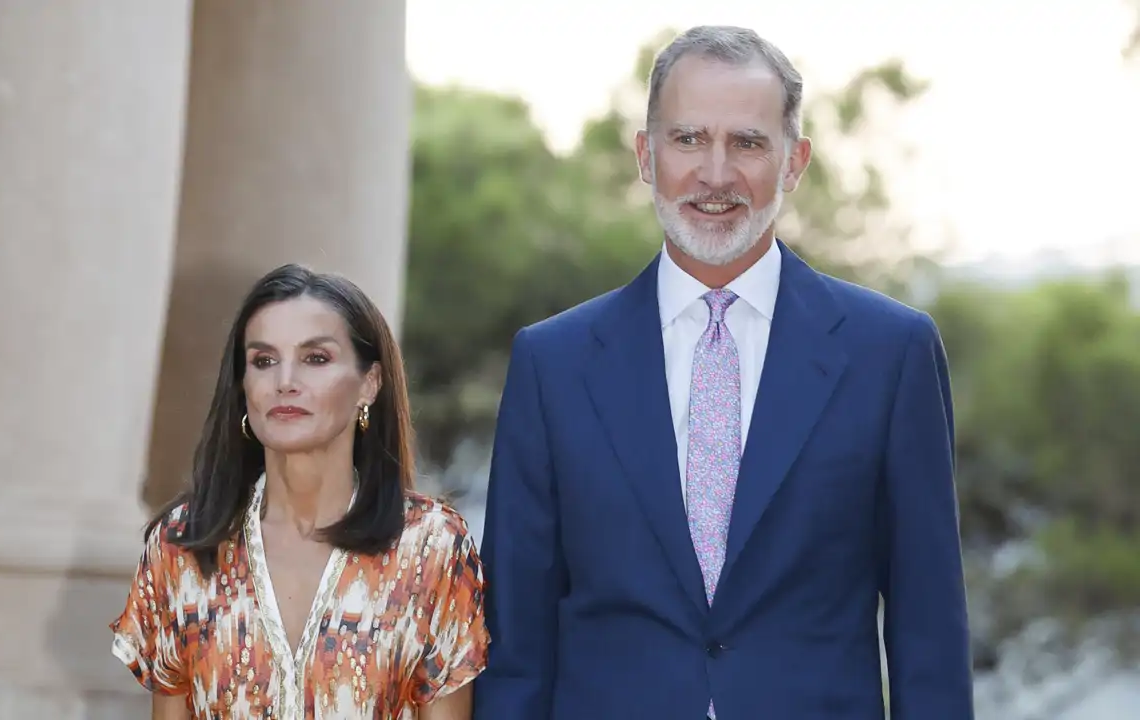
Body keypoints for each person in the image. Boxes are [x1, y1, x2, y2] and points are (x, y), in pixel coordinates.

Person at [472, 25, 973, 720]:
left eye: (747, 142)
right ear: (646, 156)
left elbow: (930, 640)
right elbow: (515, 646)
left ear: (794, 163)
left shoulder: (890, 355)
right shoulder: (551, 364)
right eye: (687, 140)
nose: (714, 173)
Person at [110, 264, 488, 720]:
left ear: (370, 383)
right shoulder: (182, 546)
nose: (285, 380)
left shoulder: (430, 546)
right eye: (263, 361)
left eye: (316, 359)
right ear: (243, 385)